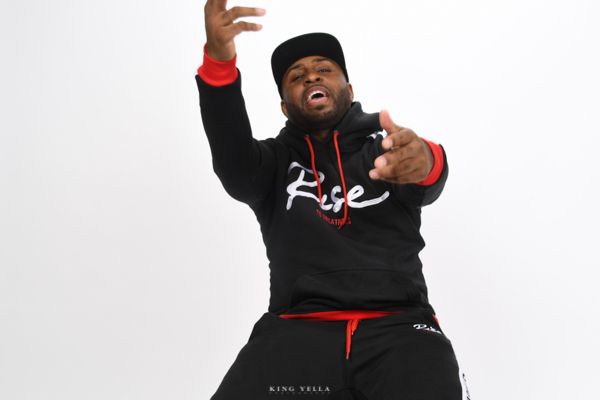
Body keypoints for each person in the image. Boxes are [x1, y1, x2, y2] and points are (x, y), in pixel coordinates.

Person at [195, 1, 470, 399]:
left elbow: (427, 176)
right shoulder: (271, 164)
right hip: (295, 332)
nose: (311, 76)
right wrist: (219, 63)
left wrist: (426, 159)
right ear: (284, 106)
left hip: (400, 330)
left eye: (324, 69)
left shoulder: (387, 151)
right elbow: (232, 160)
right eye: (296, 76)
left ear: (349, 90)